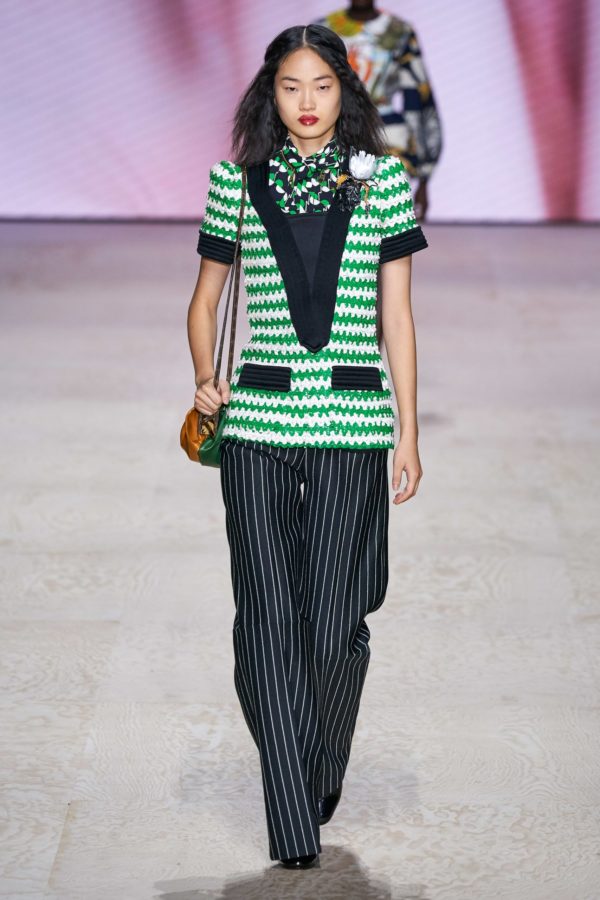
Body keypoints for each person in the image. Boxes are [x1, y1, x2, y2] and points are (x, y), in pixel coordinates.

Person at [186, 23, 427, 870]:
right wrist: (205, 378)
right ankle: (293, 814)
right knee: (265, 617)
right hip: (257, 422)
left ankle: (319, 766)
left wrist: (407, 428)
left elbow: (398, 316)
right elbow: (206, 302)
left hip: (352, 424)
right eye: (291, 87)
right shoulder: (236, 183)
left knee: (332, 626)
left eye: (321, 85)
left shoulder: (384, 182)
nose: (307, 102)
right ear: (271, 93)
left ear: (344, 90)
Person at [312, 1, 442, 220]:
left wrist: (424, 179)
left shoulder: (398, 31)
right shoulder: (323, 30)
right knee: (339, 220)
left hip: (387, 135)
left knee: (384, 218)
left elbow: (417, 97)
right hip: (335, 132)